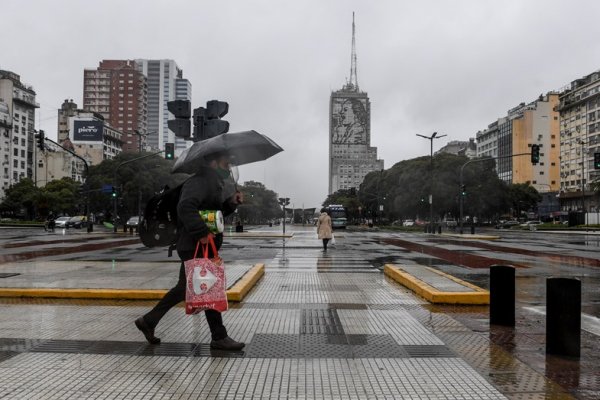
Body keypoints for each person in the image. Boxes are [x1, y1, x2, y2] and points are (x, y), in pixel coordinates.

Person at [135, 151, 245, 351]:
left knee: (186, 288)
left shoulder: (211, 182)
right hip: (196, 244)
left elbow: (212, 213)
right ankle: (219, 337)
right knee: (208, 288)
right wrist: (201, 232)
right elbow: (185, 207)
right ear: (213, 163)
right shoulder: (200, 181)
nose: (228, 167)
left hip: (197, 243)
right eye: (226, 163)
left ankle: (149, 321)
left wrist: (231, 203)